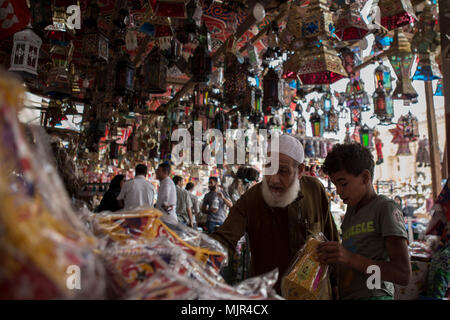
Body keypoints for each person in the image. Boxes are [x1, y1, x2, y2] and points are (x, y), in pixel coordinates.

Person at [210, 135, 339, 294]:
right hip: (269, 294)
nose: (274, 180)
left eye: (283, 171)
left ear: (299, 171)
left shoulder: (314, 190)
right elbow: (224, 239)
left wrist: (336, 285)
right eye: (269, 168)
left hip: (314, 294)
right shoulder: (252, 199)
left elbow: (332, 241)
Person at [318, 143, 411, 300]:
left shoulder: (385, 208)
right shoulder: (351, 211)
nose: (339, 191)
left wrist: (349, 258)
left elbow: (402, 273)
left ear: (365, 177)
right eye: (335, 185)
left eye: (343, 183)